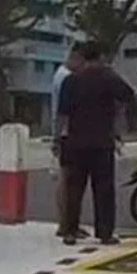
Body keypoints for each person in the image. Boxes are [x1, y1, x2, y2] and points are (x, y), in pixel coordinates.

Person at [56, 40, 135, 246]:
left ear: (83, 57)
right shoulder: (108, 78)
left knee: (74, 189)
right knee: (104, 189)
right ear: (100, 57)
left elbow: (62, 115)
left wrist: (58, 140)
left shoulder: (70, 81)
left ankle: (70, 232)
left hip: (75, 142)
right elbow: (129, 95)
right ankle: (105, 233)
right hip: (101, 142)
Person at [50, 43, 89, 239]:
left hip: (64, 133)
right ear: (75, 57)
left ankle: (65, 223)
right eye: (82, 61)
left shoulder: (60, 74)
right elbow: (63, 111)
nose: (83, 67)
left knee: (64, 179)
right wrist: (57, 137)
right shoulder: (66, 77)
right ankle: (66, 224)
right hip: (67, 135)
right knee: (67, 181)